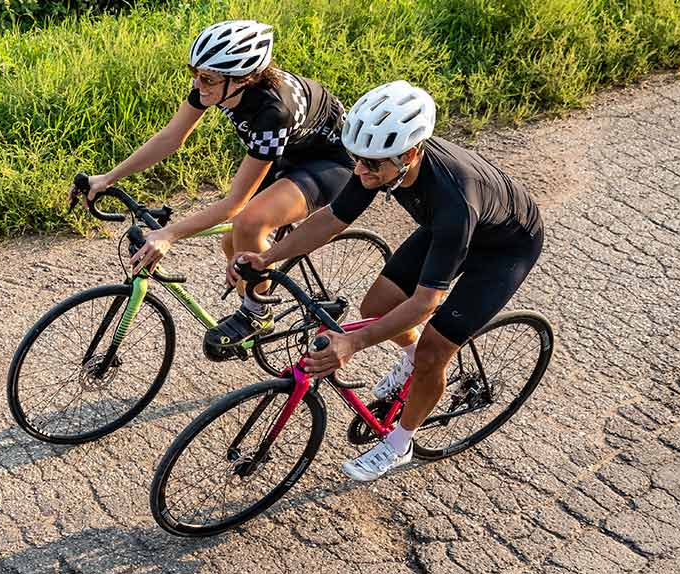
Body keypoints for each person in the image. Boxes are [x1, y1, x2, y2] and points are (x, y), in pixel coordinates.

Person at [228, 80, 545, 481]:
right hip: (449, 229)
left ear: (410, 154)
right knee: (376, 305)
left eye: (372, 164)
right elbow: (331, 220)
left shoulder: (454, 200)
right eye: (356, 158)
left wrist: (353, 342)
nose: (359, 170)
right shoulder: (379, 166)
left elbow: (426, 302)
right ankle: (410, 361)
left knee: (434, 348)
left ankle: (400, 444)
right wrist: (267, 256)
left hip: (502, 248)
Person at [74, 19, 352, 351]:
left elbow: (235, 203)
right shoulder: (217, 84)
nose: (198, 83)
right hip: (288, 149)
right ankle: (260, 287)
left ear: (244, 79)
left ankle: (257, 314)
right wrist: (108, 178)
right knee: (233, 243)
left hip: (329, 162)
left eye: (207, 78)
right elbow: (170, 138)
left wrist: (169, 233)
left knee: (249, 221)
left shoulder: (271, 112)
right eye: (194, 72)